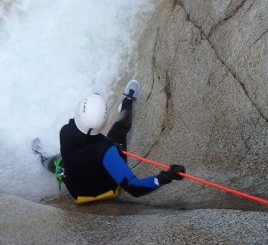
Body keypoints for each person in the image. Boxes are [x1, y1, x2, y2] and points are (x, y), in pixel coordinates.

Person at [33, 80, 185, 204]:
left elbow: (83, 151)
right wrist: (165, 177)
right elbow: (134, 188)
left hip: (77, 194)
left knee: (58, 161)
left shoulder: (64, 132)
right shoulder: (108, 152)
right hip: (108, 191)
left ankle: (41, 155)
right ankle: (127, 102)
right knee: (119, 130)